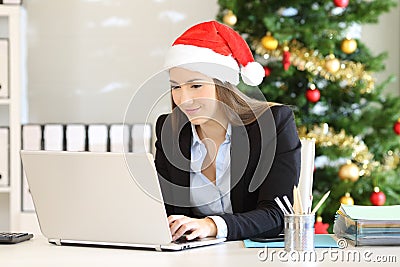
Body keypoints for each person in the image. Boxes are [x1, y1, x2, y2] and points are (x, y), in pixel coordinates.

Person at [154, 21, 301, 242]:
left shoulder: (273, 123)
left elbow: (277, 213)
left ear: (224, 84)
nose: (184, 100)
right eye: (176, 86)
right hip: (190, 256)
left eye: (195, 85)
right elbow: (160, 208)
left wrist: (212, 225)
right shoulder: (170, 130)